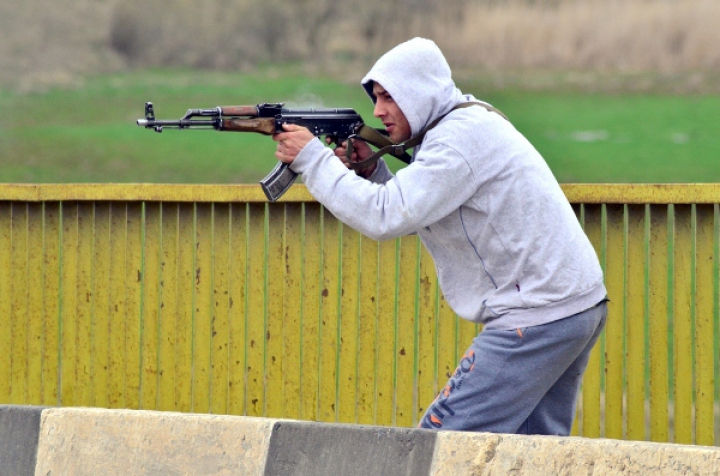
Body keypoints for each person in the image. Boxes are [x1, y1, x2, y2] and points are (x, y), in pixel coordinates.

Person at [271, 37, 607, 436]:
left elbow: (385, 216)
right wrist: (374, 174)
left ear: (417, 93)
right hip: (575, 307)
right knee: (531, 453)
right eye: (376, 98)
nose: (378, 110)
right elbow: (422, 207)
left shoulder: (455, 141)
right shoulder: (465, 123)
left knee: (439, 442)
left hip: (539, 316)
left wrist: (313, 158)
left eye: (388, 97)